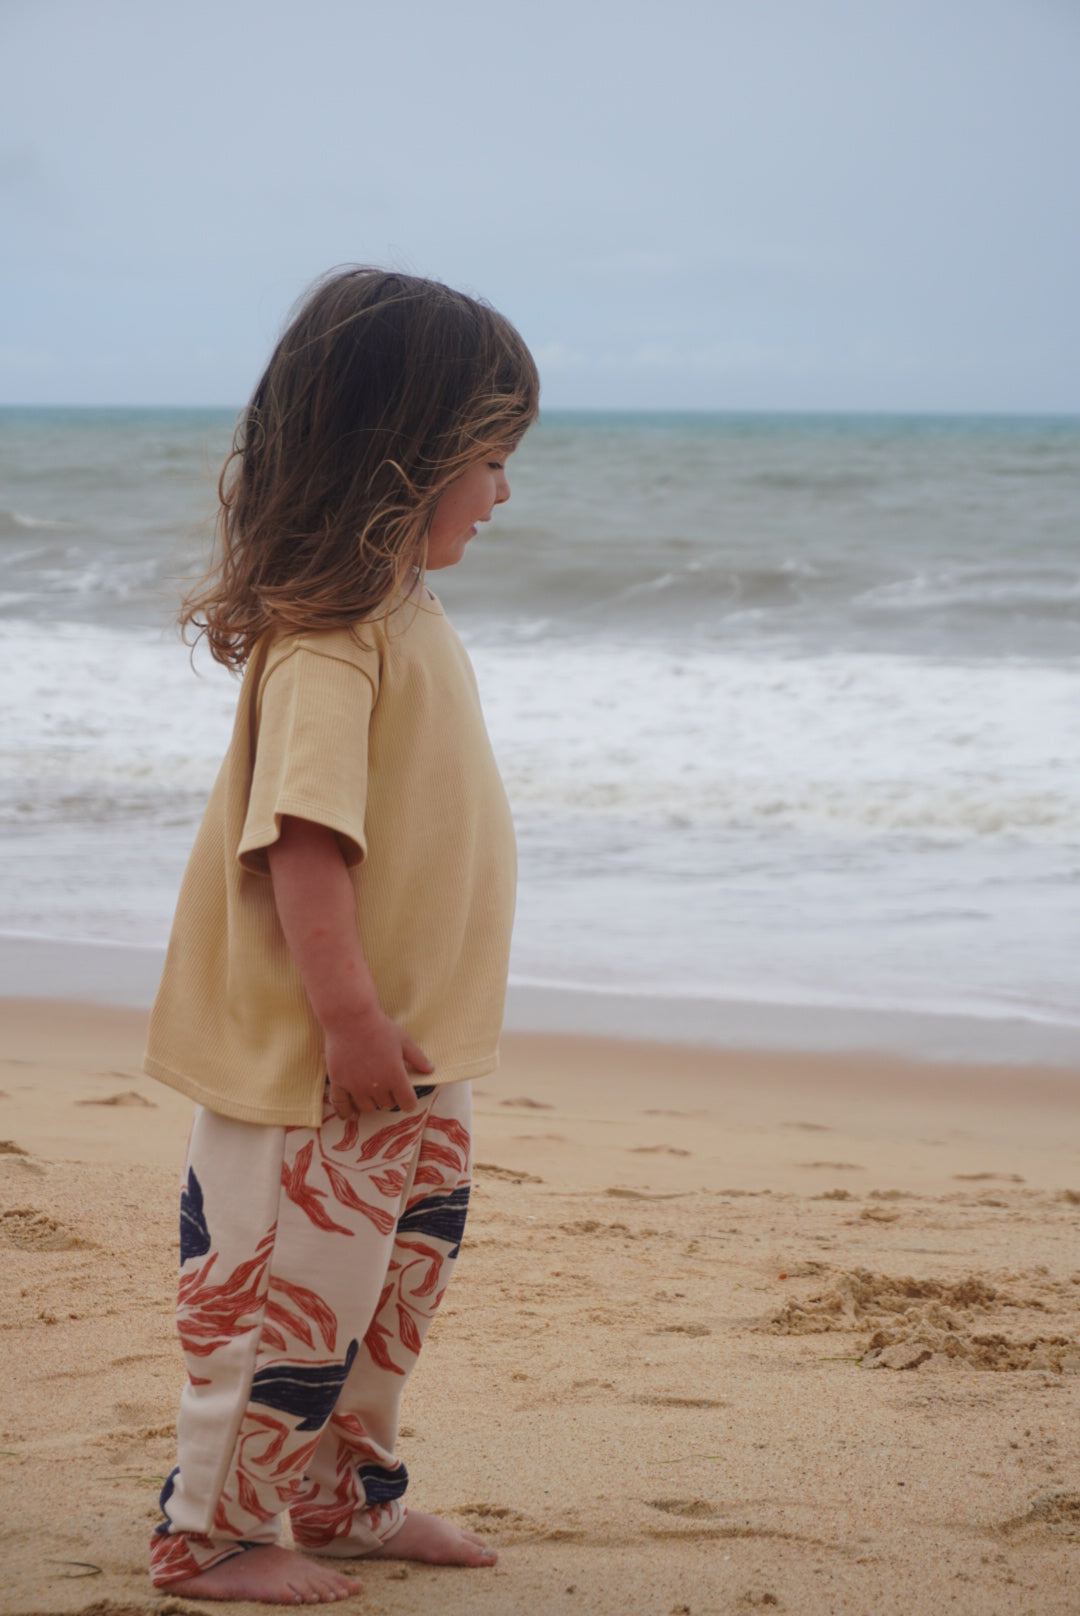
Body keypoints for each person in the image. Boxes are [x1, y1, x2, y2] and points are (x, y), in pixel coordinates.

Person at [143, 267, 539, 1603]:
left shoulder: (402, 613)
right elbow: (303, 841)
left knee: (389, 1291)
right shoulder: (331, 637)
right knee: (281, 1304)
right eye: (490, 459)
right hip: (318, 1062)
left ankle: (339, 1492)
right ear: (412, 455)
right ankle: (210, 1530)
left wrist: (394, 1037)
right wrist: (350, 1018)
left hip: (409, 1058)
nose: (502, 492)